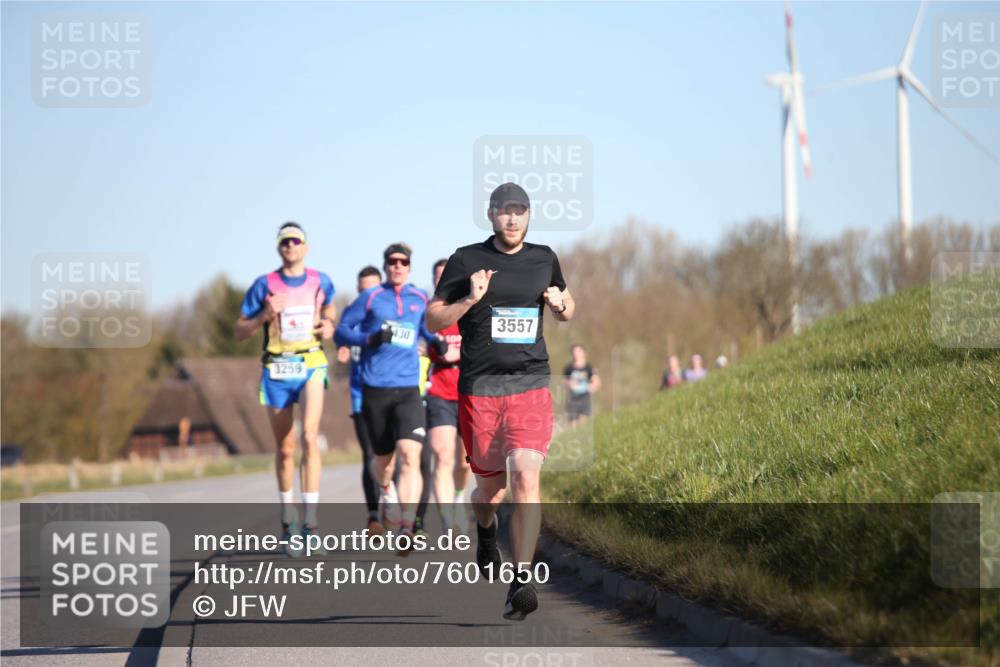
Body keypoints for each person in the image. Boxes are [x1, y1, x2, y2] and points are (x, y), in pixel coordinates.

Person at [427, 182, 574, 621]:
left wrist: (561, 304)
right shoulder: (466, 259)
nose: (512, 219)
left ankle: (521, 580)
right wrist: (470, 298)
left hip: (530, 386)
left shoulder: (544, 258)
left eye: (520, 211)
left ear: (529, 215)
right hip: (480, 392)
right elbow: (433, 317)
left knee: (526, 478)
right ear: (490, 215)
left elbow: (567, 305)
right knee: (490, 492)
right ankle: (486, 532)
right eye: (504, 211)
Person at [233, 222, 335, 556]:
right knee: (287, 447)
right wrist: (264, 313)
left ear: (306, 246)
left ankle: (312, 524)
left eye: (296, 240)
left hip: (310, 363)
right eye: (284, 241)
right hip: (277, 368)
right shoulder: (265, 284)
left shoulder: (321, 281)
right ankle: (288, 518)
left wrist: (329, 323)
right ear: (279, 248)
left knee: (309, 437)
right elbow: (239, 331)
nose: (290, 245)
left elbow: (330, 308)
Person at [335, 243, 433, 550]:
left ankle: (406, 526)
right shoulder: (371, 297)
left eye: (403, 262)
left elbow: (429, 330)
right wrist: (369, 338)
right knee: (383, 462)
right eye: (392, 262)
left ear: (409, 267)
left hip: (408, 390)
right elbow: (341, 331)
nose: (397, 266)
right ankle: (386, 488)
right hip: (375, 390)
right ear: (386, 266)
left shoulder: (420, 298)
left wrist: (438, 344)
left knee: (410, 455)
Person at [335, 266, 385, 535]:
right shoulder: (351, 320)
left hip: (390, 393)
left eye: (374, 288)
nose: (369, 293)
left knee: (392, 455)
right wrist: (341, 357)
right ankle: (374, 516)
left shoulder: (389, 315)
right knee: (369, 455)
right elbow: (341, 345)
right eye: (364, 288)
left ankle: (391, 500)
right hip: (361, 396)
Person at [425, 258, 472, 534]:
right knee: (441, 456)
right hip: (439, 393)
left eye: (447, 276)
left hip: (467, 392)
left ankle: (457, 499)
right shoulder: (429, 314)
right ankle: (447, 522)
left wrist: (458, 354)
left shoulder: (469, 310)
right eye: (438, 276)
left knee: (465, 462)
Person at [562, 344, 600, 426]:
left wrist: (592, 387)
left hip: (585, 397)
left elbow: (596, 381)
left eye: (578, 351)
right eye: (574, 352)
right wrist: (569, 383)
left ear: (584, 353)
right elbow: (564, 381)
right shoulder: (569, 368)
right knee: (572, 423)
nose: (576, 354)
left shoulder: (589, 367)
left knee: (583, 421)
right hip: (573, 398)